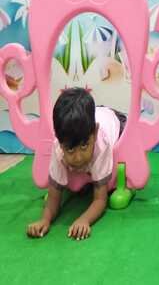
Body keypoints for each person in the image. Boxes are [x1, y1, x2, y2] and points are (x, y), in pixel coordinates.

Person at [26, 88, 126, 240]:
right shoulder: (58, 149)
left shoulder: (101, 144)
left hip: (115, 120)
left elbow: (100, 199)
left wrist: (84, 219)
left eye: (84, 146)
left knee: (126, 150)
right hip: (92, 118)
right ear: (60, 143)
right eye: (71, 149)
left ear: (95, 133)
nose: (78, 158)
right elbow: (53, 198)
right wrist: (44, 220)